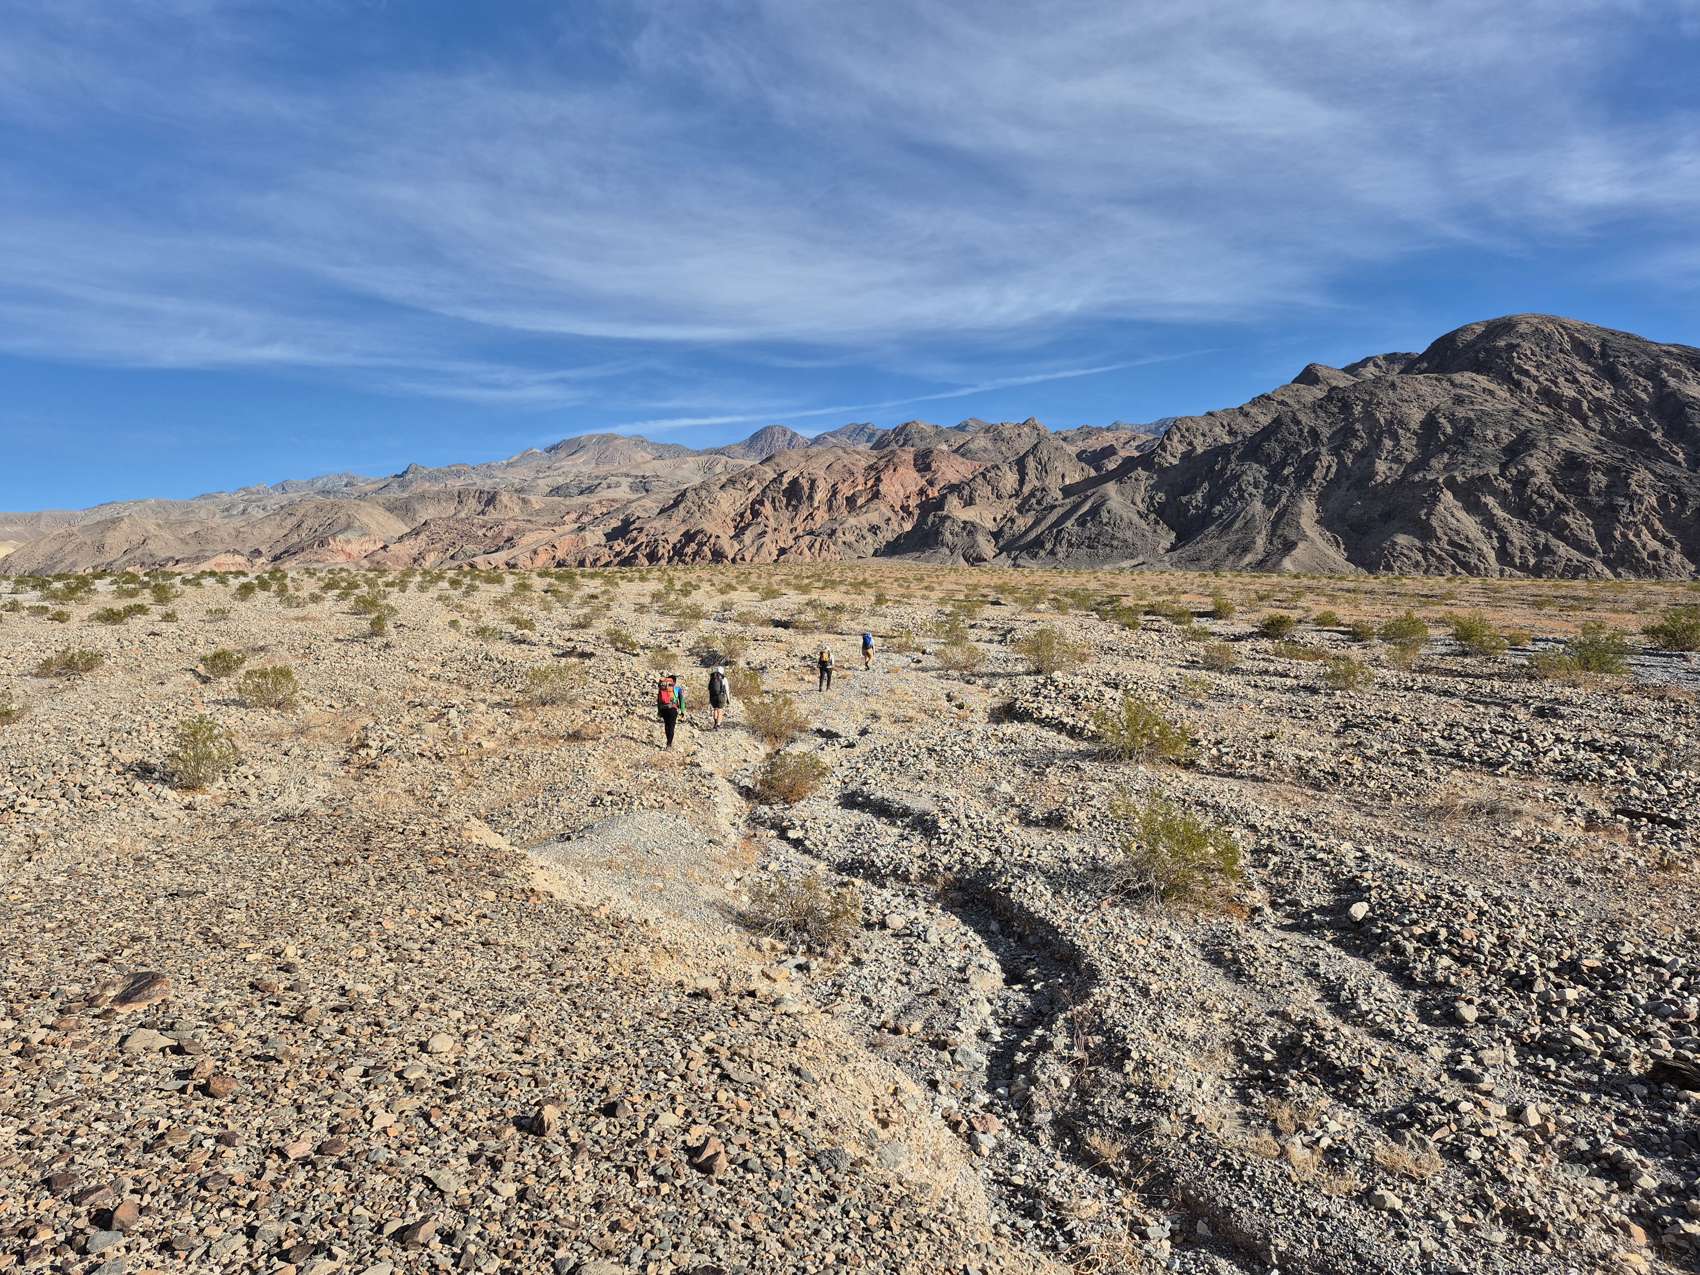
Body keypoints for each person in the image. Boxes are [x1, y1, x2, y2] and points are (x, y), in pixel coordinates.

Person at [656, 674, 684, 749]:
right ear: (674, 682)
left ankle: (668, 741)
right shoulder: (677, 689)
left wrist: (659, 711)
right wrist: (682, 711)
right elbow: (681, 700)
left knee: (667, 725)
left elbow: (658, 700)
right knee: (671, 726)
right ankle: (669, 744)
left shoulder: (662, 688)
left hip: (663, 708)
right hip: (673, 709)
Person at [707, 665, 729, 729]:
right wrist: (728, 699)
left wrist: (710, 698)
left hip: (713, 696)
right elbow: (727, 689)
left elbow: (709, 688)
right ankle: (718, 725)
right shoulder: (724, 678)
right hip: (721, 696)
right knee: (720, 710)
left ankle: (715, 723)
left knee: (715, 709)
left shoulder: (712, 678)